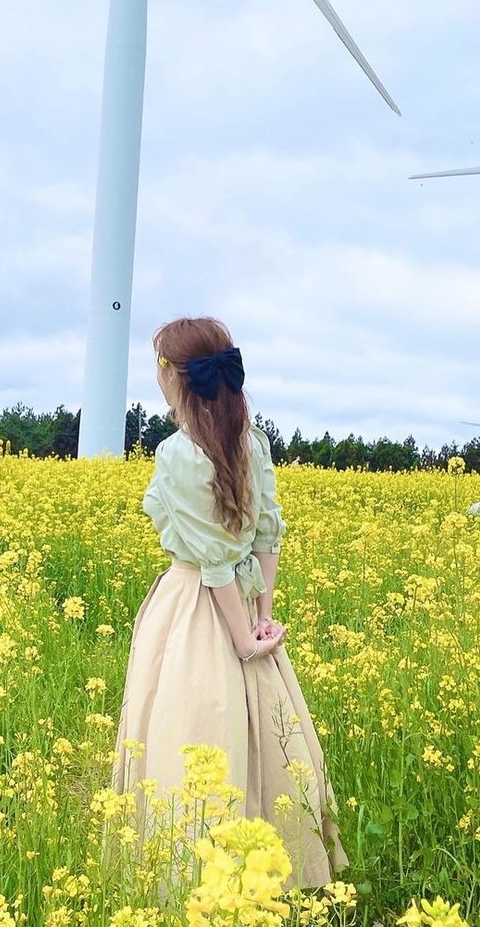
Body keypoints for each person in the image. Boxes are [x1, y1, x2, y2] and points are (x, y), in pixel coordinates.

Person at [111, 317, 347, 889]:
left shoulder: (178, 454)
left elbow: (212, 560)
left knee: (190, 736)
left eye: (160, 364)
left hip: (193, 606)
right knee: (262, 740)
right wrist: (262, 618)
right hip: (242, 599)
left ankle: (189, 881)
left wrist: (243, 639)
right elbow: (267, 534)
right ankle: (269, 876)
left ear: (175, 376)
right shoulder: (253, 442)